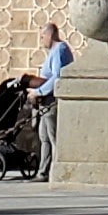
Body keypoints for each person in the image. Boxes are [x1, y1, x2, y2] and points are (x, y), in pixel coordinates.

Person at [30, 21, 75, 180]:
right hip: (45, 101)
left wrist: (38, 91)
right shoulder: (54, 52)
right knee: (44, 137)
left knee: (53, 136)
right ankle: (43, 171)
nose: (41, 40)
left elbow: (57, 76)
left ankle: (57, 171)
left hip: (52, 101)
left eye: (42, 36)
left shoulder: (59, 50)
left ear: (50, 35)